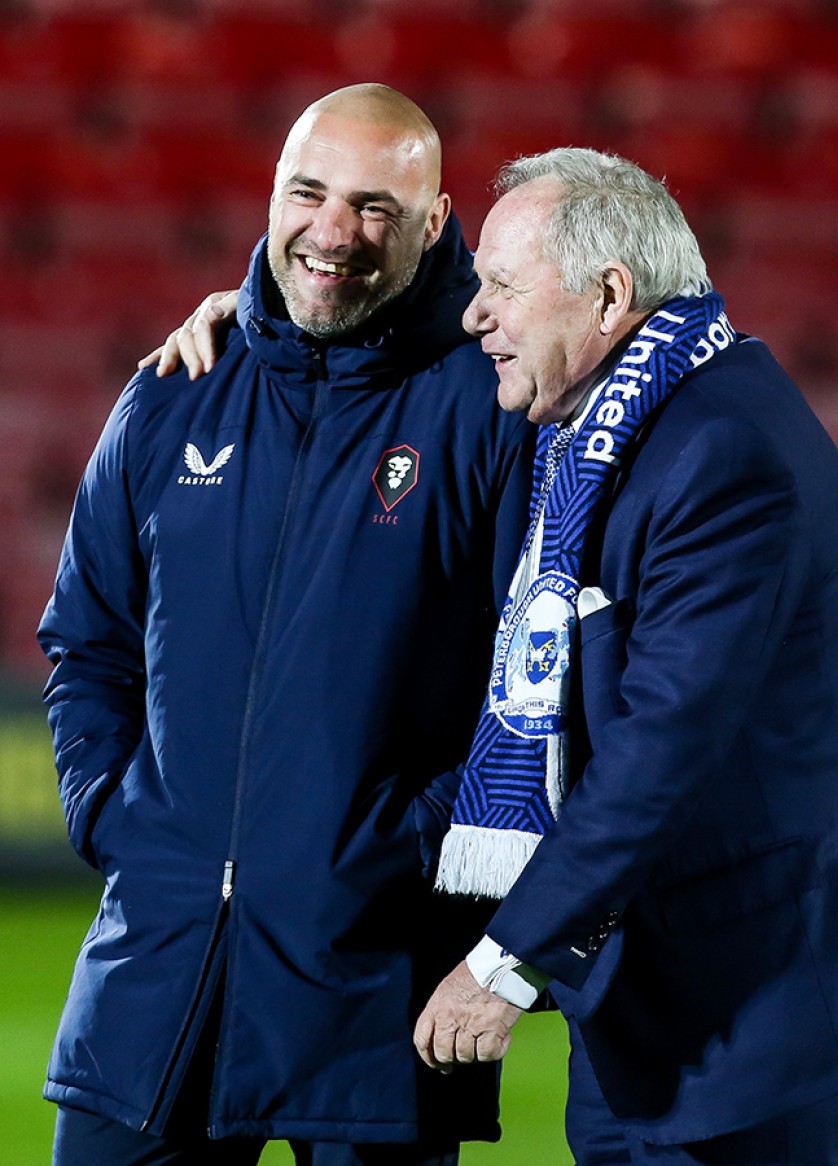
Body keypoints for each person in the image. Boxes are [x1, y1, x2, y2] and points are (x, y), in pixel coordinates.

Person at [408, 149, 838, 1165]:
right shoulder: (604, 423)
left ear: (610, 294)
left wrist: (504, 960)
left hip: (752, 1003)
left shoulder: (721, 449)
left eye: (503, 287)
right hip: (648, 999)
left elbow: (665, 745)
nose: (475, 315)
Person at [38, 84, 534, 1166]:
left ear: (438, 220)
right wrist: (115, 812)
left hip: (375, 987)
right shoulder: (172, 393)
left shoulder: (490, 402)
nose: (333, 232)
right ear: (271, 192)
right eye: (308, 193)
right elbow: (88, 638)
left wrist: (403, 846)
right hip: (153, 976)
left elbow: (537, 689)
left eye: (374, 208)